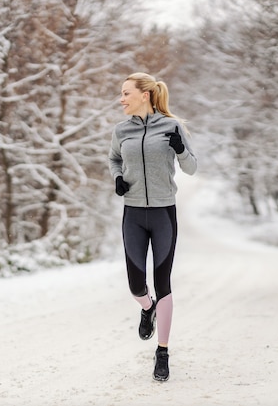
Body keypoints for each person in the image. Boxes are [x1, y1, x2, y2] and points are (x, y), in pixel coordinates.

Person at [108, 72, 197, 381]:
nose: (121, 99)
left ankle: (162, 352)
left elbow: (191, 166)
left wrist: (181, 148)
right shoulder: (121, 131)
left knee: (163, 282)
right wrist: (117, 177)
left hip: (163, 214)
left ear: (144, 95)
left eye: (125, 93)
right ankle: (148, 309)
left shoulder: (172, 127)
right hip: (133, 213)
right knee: (136, 286)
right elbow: (114, 160)